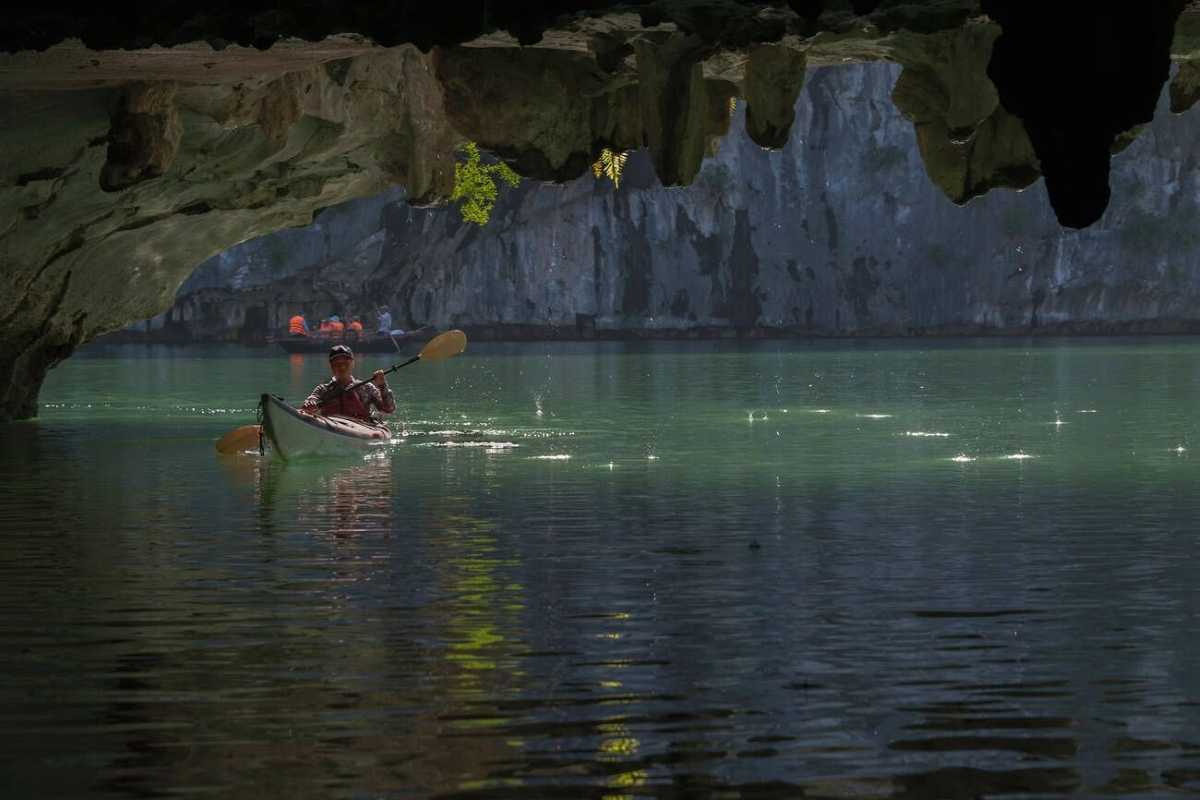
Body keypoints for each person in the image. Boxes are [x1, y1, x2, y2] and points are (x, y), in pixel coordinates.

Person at [301, 344, 395, 422]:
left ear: (352, 364)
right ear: (331, 366)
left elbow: (388, 409)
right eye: (337, 364)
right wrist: (310, 404)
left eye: (346, 363)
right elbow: (311, 400)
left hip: (362, 428)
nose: (342, 368)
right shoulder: (323, 390)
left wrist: (382, 386)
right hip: (331, 427)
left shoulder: (367, 388)